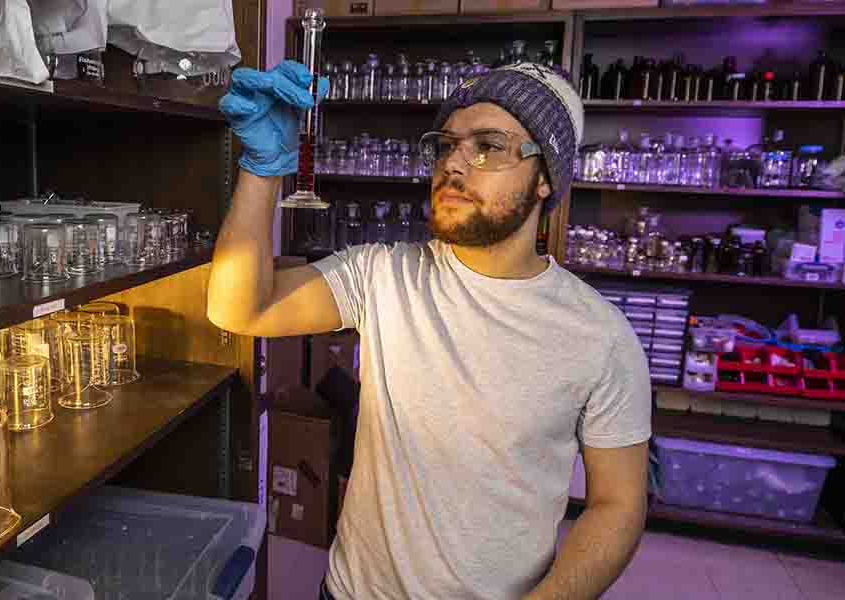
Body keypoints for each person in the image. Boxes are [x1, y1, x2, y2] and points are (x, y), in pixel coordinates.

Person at [209, 59, 652, 600]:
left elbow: (619, 504)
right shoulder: (383, 273)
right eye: (447, 144)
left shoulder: (600, 336)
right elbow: (241, 309)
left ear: (545, 180)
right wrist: (261, 170)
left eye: (488, 145)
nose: (455, 164)